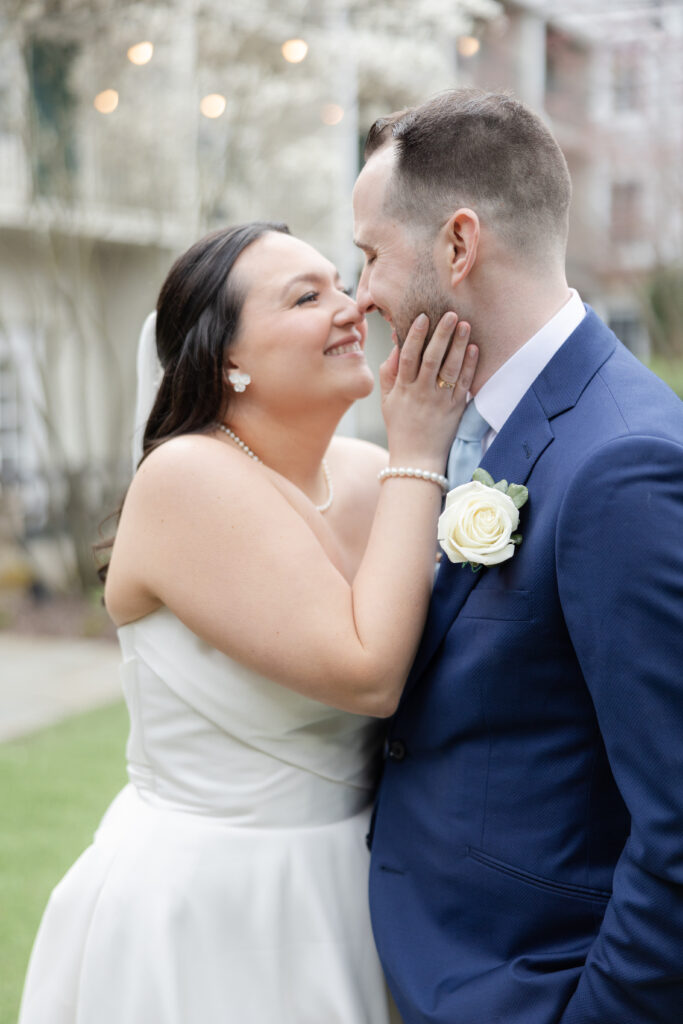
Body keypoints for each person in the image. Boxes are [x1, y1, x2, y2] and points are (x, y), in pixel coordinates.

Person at [18, 221, 478, 1024]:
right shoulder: (187, 477)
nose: (351, 307)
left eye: (341, 283)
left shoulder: (376, 478)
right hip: (213, 905)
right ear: (228, 358)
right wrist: (421, 445)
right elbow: (367, 673)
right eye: (307, 297)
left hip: (365, 890)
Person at [352, 88, 683, 1024]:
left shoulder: (621, 463)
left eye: (370, 254)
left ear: (457, 246)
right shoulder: (479, 426)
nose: (361, 294)